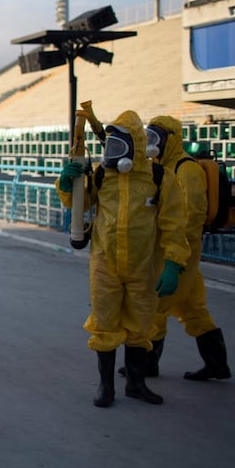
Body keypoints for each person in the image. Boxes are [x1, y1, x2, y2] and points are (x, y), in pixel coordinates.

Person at [57, 110, 189, 408]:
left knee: (140, 325)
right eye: (110, 146)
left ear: (136, 146)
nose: (112, 153)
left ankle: (135, 383)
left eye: (119, 146)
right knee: (104, 323)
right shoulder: (103, 174)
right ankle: (107, 387)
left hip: (144, 265)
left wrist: (173, 263)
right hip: (105, 262)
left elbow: (173, 224)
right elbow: (79, 202)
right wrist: (66, 183)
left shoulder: (159, 177)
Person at [137, 116, 230, 381]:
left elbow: (191, 216)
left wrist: (175, 259)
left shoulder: (186, 170)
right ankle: (217, 364)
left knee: (156, 305)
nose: (151, 143)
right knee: (193, 308)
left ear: (171, 139)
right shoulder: (158, 166)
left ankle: (147, 363)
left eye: (156, 138)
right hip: (173, 250)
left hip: (180, 252)